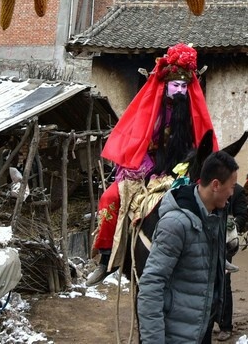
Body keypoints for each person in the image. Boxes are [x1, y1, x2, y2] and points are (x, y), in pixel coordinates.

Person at [87, 43, 218, 286]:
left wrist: (187, 166)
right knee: (109, 198)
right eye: (175, 85)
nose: (179, 91)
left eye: (183, 86)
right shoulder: (149, 110)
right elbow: (137, 142)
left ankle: (217, 253)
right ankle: (106, 260)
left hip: (180, 170)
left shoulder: (191, 112)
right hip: (144, 169)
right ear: (165, 85)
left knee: (214, 198)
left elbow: (198, 143)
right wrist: (150, 169)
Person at [137, 151, 238, 344]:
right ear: (216, 185)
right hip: (176, 335)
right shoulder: (176, 224)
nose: (233, 193)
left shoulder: (212, 218)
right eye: (232, 187)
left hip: (199, 329)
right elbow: (151, 286)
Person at [213, 182, 248, 341]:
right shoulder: (208, 187)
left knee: (223, 281)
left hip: (225, 242)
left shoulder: (237, 191)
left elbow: (243, 216)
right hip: (205, 239)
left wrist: (233, 224)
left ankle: (225, 325)